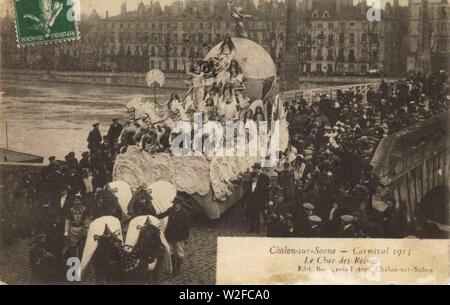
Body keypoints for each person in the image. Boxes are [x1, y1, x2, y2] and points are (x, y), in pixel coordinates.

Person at [157, 197, 191, 276]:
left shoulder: (185, 213)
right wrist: (153, 216)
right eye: (174, 203)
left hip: (180, 236)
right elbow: (163, 214)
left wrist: (186, 238)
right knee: (171, 251)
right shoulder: (171, 210)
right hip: (170, 234)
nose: (175, 205)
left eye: (177, 203)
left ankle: (178, 269)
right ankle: (173, 268)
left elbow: (187, 227)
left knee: (179, 252)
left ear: (181, 204)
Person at [244, 163, 270, 233]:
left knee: (257, 215)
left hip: (259, 200)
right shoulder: (251, 176)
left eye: (256, 168)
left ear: (259, 169)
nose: (255, 170)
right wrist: (247, 200)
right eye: (254, 168)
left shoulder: (265, 177)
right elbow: (248, 189)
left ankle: (257, 229)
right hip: (251, 200)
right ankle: (251, 228)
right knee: (251, 214)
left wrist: (265, 200)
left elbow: (266, 190)